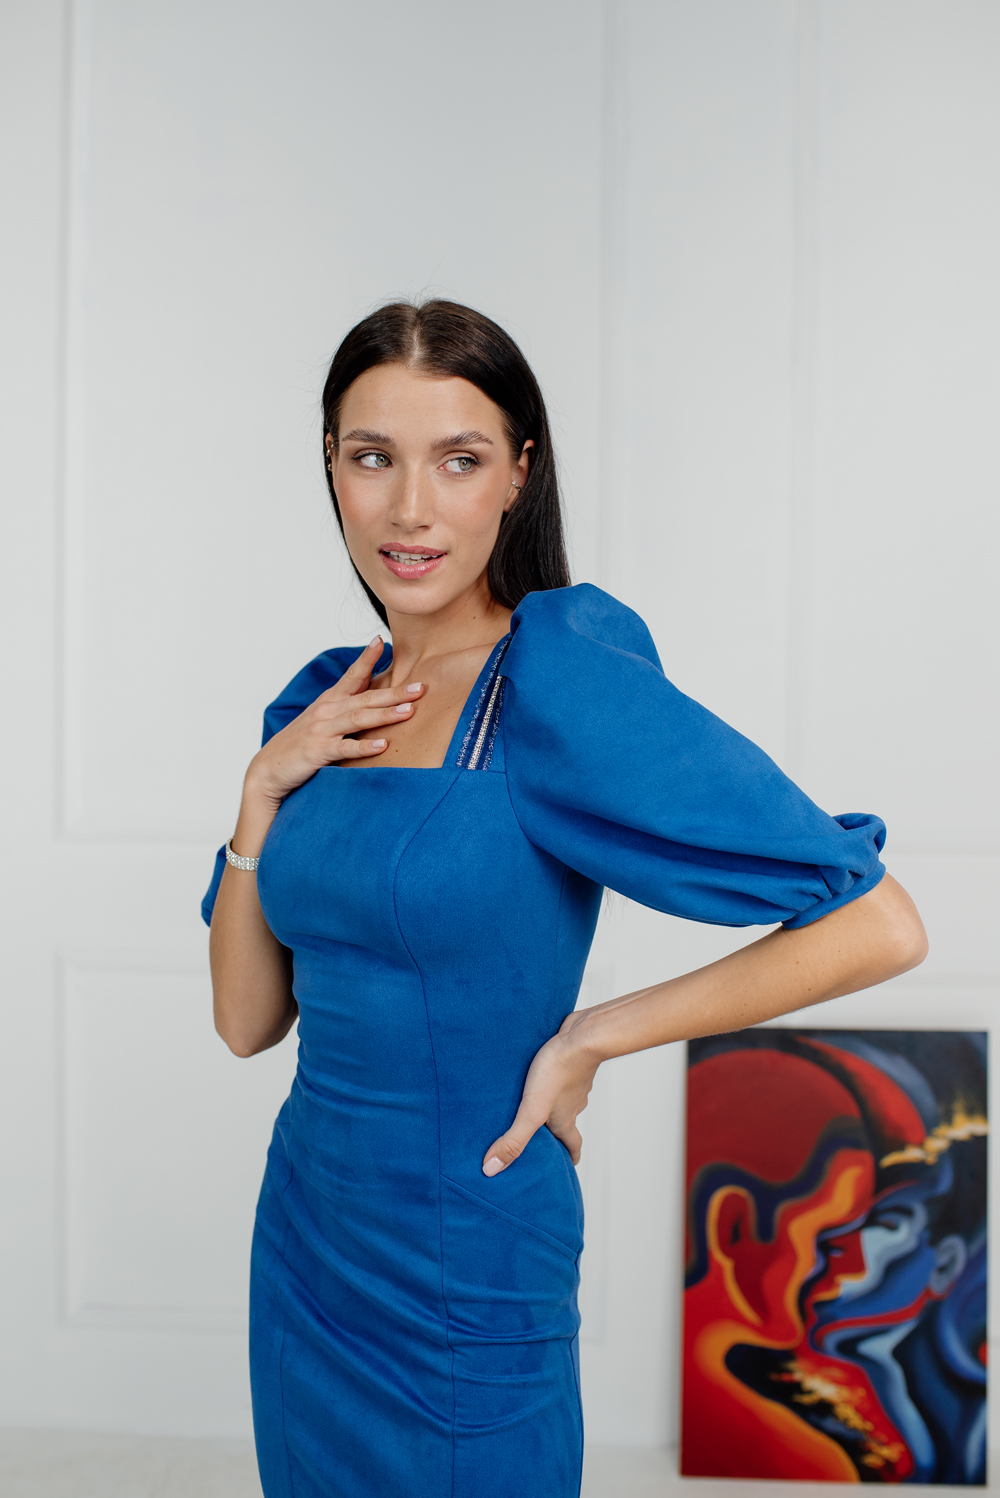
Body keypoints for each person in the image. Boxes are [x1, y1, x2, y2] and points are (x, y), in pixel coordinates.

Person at [203, 299, 927, 1498]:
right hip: (307, 1240)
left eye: (459, 459)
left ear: (518, 476)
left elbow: (877, 922)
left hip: (470, 1244)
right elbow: (243, 1023)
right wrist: (257, 796)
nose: (411, 508)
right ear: (329, 465)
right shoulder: (321, 703)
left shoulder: (553, 677)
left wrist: (595, 1033)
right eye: (371, 456)